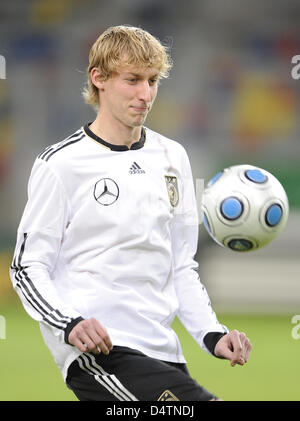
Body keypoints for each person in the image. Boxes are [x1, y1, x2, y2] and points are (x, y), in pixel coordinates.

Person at [10, 25, 252, 401]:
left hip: (162, 351)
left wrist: (212, 333)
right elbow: (26, 266)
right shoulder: (60, 164)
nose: (145, 94)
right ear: (99, 79)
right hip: (100, 353)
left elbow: (180, 264)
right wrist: (69, 323)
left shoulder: (174, 157)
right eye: (133, 80)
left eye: (153, 81)